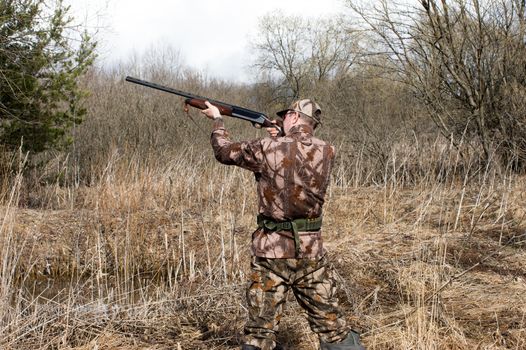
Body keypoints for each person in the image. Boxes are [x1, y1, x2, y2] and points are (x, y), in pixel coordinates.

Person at [201, 99, 365, 350]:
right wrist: (281, 135)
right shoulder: (328, 150)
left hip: (271, 252)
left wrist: (217, 120)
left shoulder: (267, 147)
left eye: (286, 116)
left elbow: (223, 152)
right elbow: (296, 155)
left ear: (293, 116)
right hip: (311, 253)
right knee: (332, 327)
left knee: (259, 332)